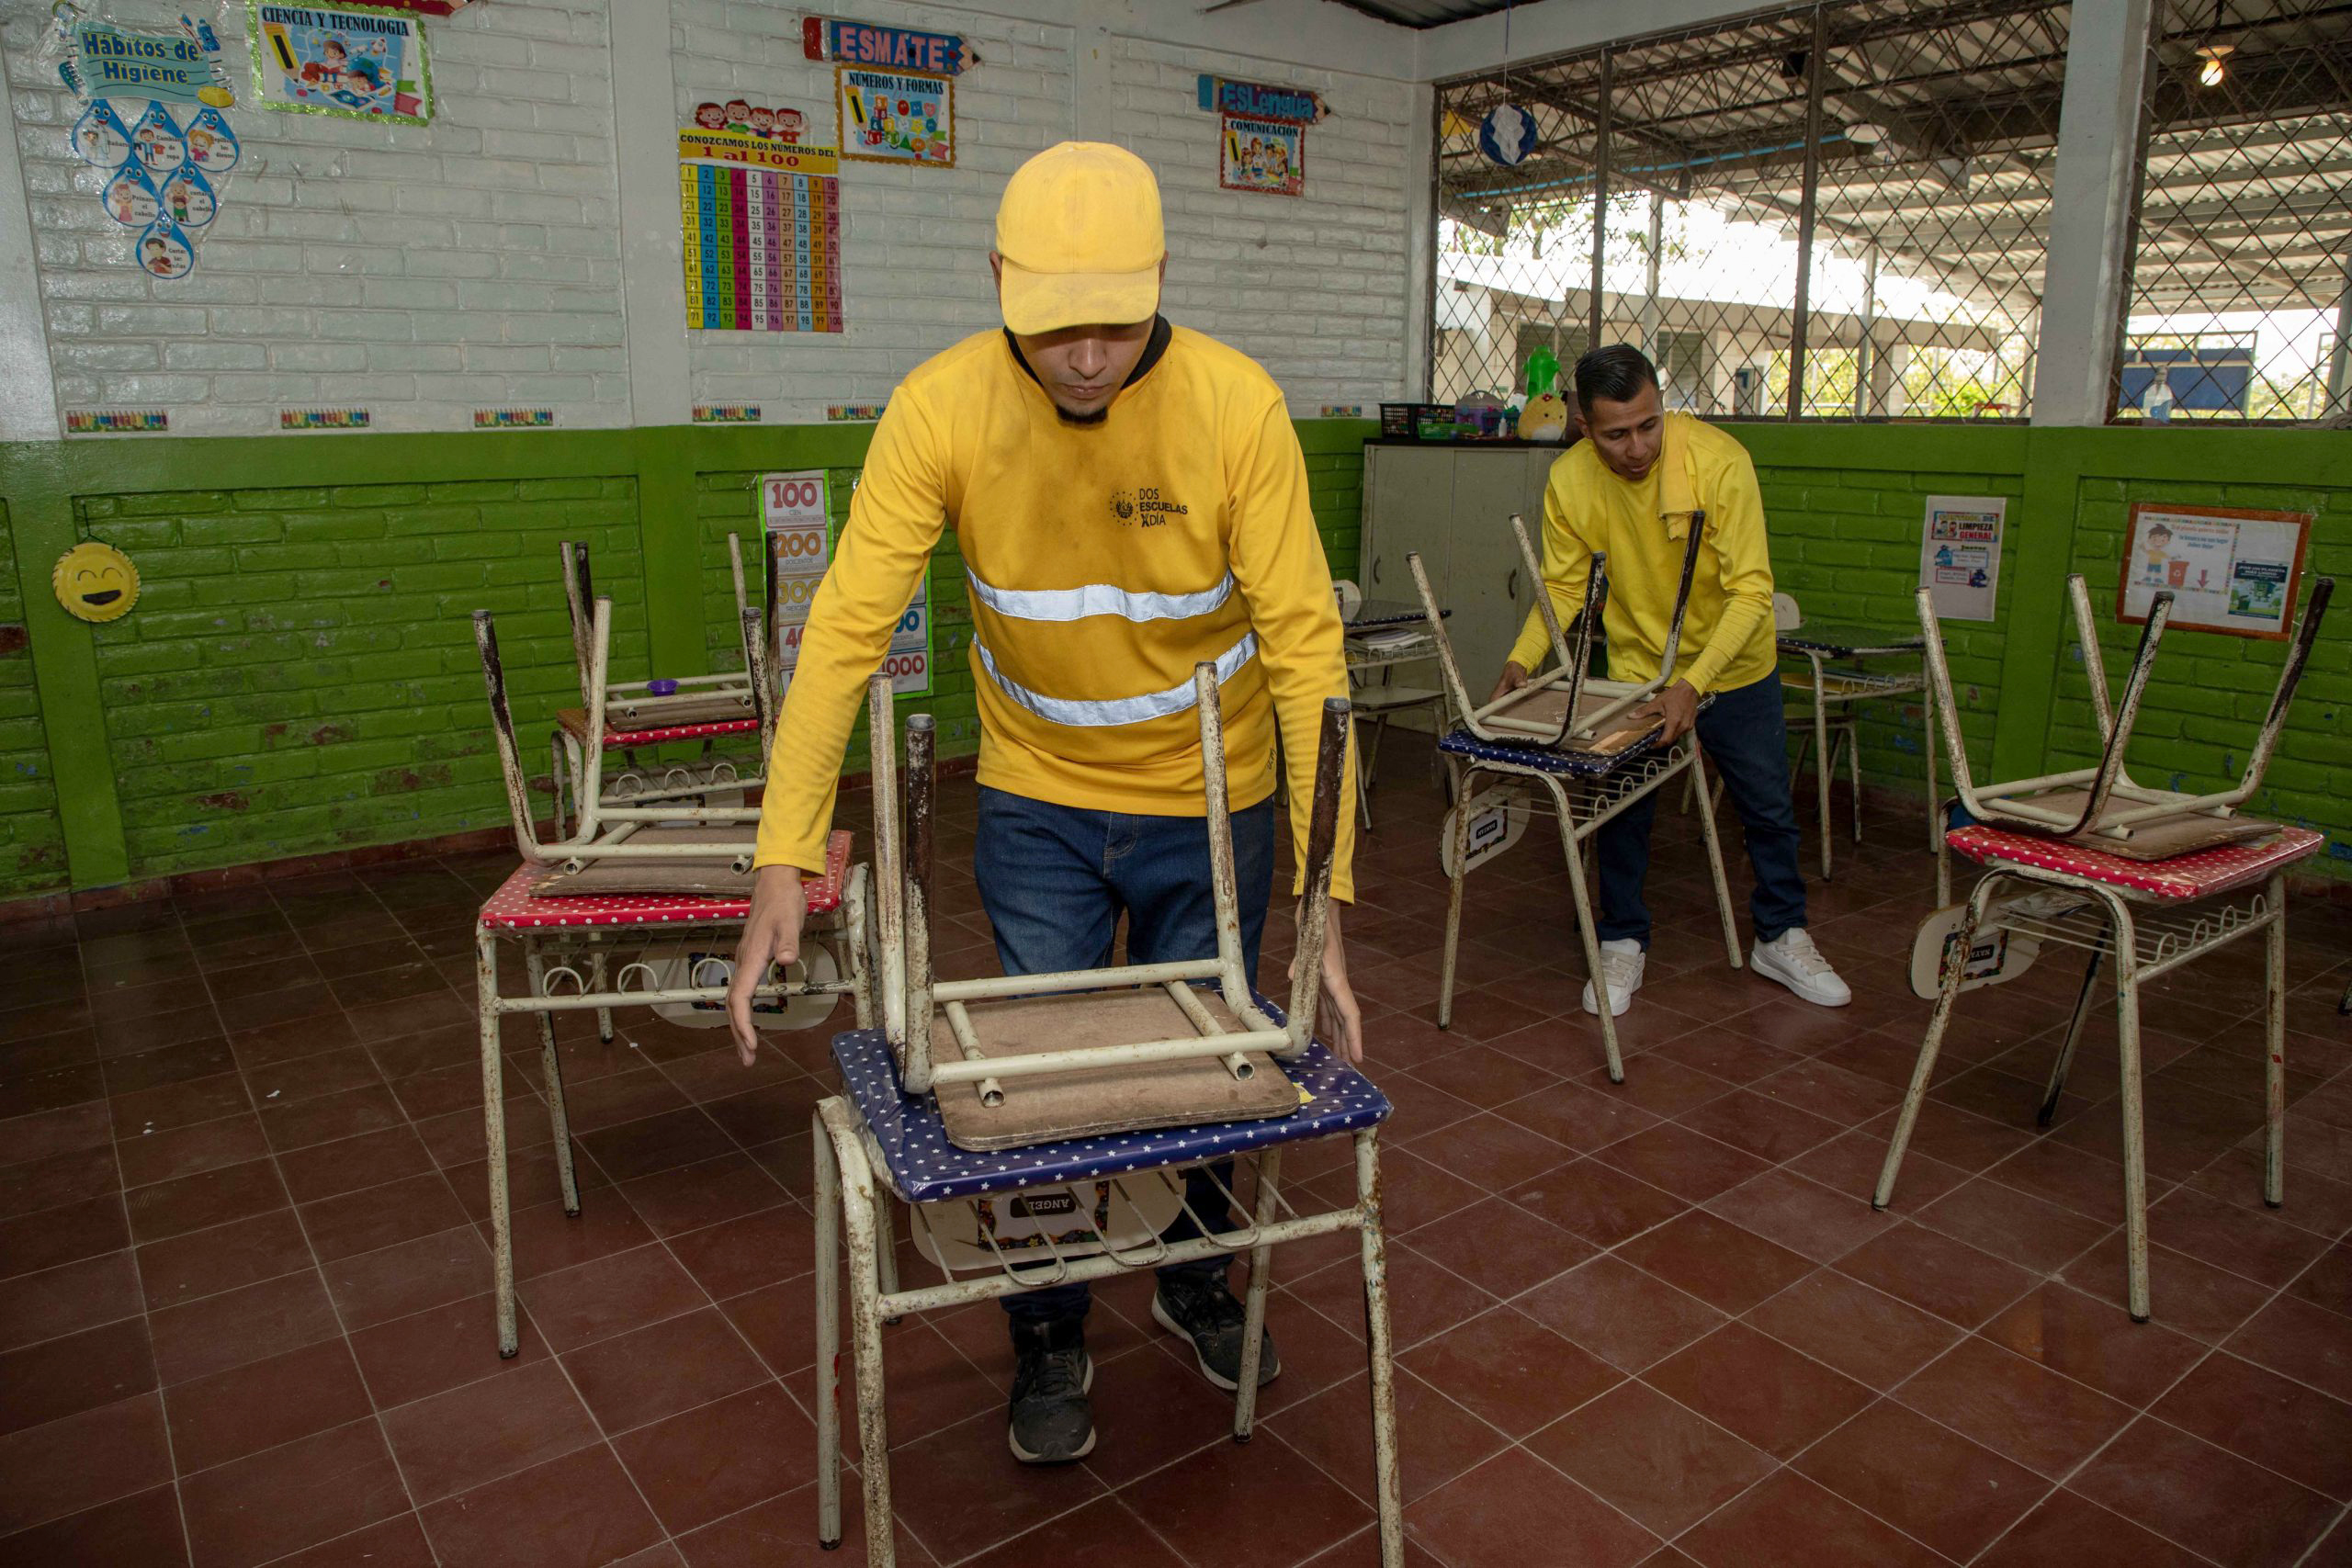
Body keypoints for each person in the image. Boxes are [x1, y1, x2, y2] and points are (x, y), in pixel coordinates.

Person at [726, 141, 1363, 1466]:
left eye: (1116, 324)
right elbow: (843, 628)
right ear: (998, 282)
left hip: (1216, 802)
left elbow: (1309, 651)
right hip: (1037, 804)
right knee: (1038, 1086)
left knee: (1216, 1073)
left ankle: (1198, 1281)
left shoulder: (1237, 408)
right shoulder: (941, 409)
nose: (1087, 356)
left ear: (1161, 284)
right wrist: (783, 857)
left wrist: (1326, 891)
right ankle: (1051, 1327)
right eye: (1056, 325)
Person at [1491, 344, 1849, 1014]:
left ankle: (1782, 933)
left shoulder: (1719, 462)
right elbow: (1566, 587)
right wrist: (1524, 656)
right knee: (1622, 810)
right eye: (1616, 434)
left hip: (1735, 664)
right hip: (1637, 671)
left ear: (1663, 406)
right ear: (1583, 427)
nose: (1636, 447)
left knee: (1768, 806)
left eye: (1648, 425)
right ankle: (1622, 940)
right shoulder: (1569, 480)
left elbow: (1751, 593)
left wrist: (1695, 682)